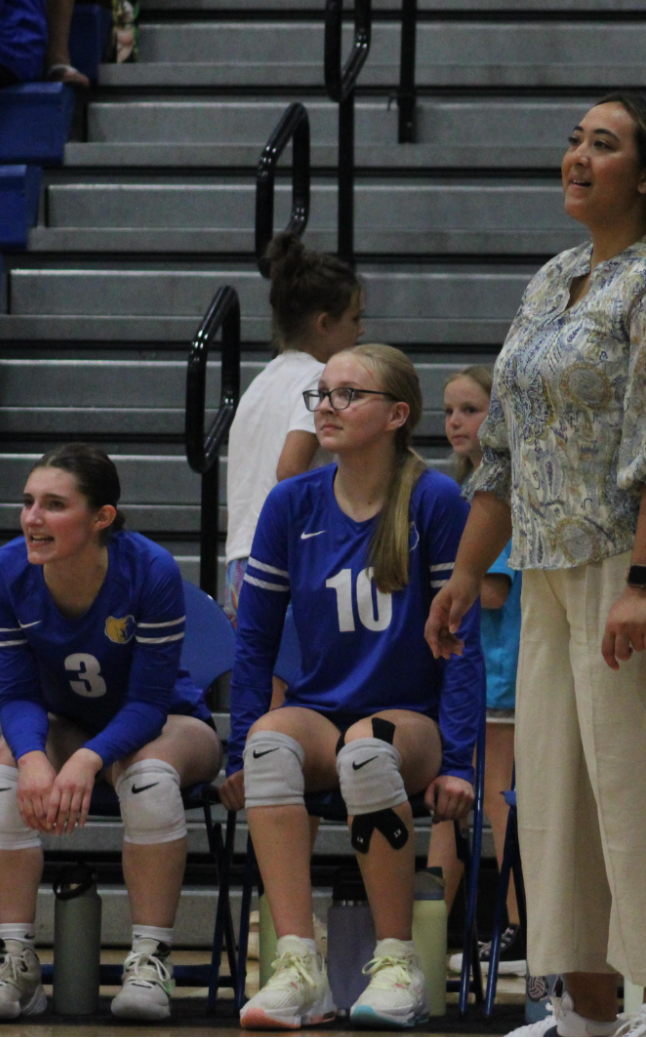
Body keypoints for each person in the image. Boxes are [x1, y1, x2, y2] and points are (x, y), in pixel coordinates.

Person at [425, 94, 646, 1038]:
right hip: (550, 566)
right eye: (573, 140)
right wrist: (459, 571)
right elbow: (502, 453)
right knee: (555, 792)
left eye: (601, 144)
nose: (575, 156)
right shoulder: (556, 275)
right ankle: (587, 1010)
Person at [221, 343, 478, 1030]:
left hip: (409, 716)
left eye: (346, 394)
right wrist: (237, 743)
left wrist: (458, 761)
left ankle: (399, 964)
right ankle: (297, 966)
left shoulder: (433, 498)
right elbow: (254, 640)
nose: (326, 406)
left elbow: (462, 643)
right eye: (322, 394)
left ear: (396, 414)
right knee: (268, 748)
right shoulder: (291, 501)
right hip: (319, 707)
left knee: (367, 751)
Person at [0, 443, 223, 1023]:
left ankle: (150, 960)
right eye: (28, 502)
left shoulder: (149, 568)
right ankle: (15, 962)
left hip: (167, 720)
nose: (33, 518)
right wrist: (34, 757)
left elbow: (149, 704)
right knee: (4, 775)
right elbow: (18, 694)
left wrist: (86, 759)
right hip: (65, 721)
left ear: (101, 517)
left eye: (55, 505)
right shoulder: (6, 571)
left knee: (151, 777)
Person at [429, 365, 525, 979]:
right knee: (451, 799)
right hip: (467, 675)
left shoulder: (500, 498)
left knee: (499, 805)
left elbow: (490, 592)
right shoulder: (461, 492)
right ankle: (427, 928)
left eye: (472, 409)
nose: (458, 422)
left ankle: (520, 927)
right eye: (449, 411)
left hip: (502, 676)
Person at [221, 232, 363, 621]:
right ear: (324, 324)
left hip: (241, 560)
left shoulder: (260, 383)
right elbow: (290, 470)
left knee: (262, 681)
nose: (361, 331)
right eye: (355, 319)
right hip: (284, 559)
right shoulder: (318, 377)